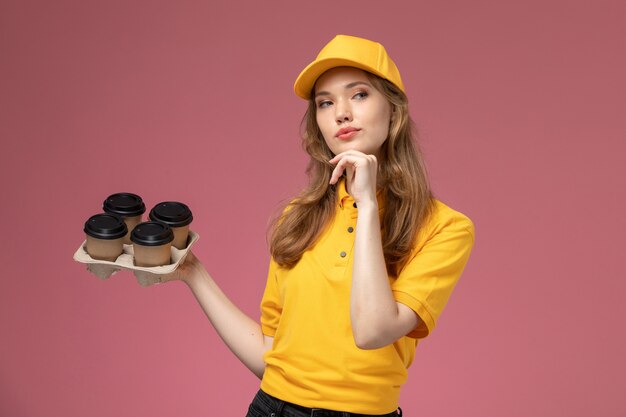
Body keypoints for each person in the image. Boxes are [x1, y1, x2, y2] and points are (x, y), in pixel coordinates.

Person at [137, 35, 474, 416]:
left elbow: (372, 331)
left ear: (394, 111)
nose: (341, 113)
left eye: (359, 95)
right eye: (325, 103)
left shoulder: (445, 227)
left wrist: (366, 206)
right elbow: (272, 360)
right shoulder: (298, 218)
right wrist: (193, 273)